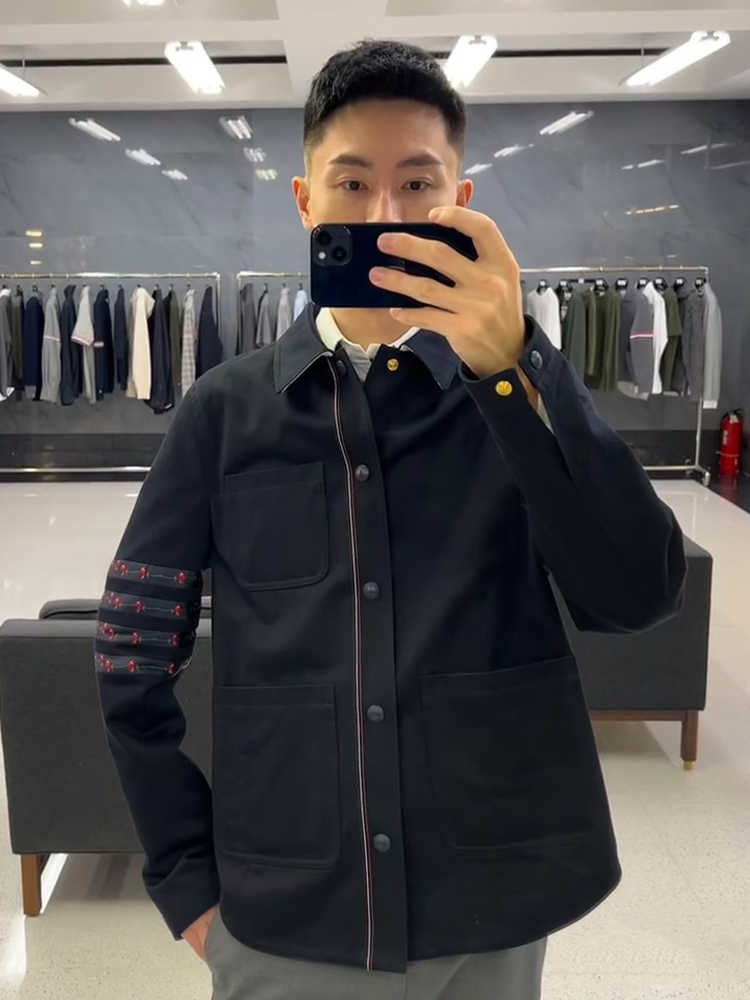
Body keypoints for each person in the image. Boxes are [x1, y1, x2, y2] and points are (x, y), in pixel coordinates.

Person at [94, 38, 687, 1000]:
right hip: (288, 913)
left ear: (462, 200)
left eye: (418, 185)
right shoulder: (225, 412)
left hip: (494, 900)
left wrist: (521, 364)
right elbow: (130, 650)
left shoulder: (512, 397)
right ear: (305, 202)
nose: (385, 217)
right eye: (353, 184)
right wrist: (184, 879)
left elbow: (636, 594)